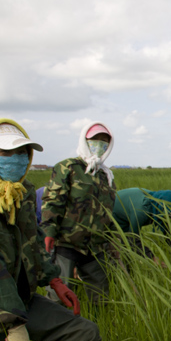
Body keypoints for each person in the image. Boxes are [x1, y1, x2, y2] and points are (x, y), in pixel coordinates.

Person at [0, 119, 111, 341]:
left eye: (22, 151)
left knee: (86, 333)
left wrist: (54, 280)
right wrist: (12, 324)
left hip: (22, 297)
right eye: (6, 153)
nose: (17, 159)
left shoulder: (19, 195)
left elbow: (30, 243)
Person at [41, 122, 117, 303]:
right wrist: (48, 232)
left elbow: (108, 213)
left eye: (104, 141)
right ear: (85, 140)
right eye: (94, 140)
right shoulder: (68, 168)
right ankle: (58, 328)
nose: (99, 144)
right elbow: (53, 202)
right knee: (60, 294)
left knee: (100, 295)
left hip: (95, 246)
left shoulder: (106, 176)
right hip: (67, 241)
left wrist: (112, 243)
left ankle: (97, 327)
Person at [113, 188, 171, 262]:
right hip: (114, 212)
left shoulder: (156, 204)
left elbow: (167, 231)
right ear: (163, 209)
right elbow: (133, 239)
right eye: (170, 215)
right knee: (125, 248)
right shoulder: (141, 212)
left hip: (128, 205)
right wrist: (153, 258)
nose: (170, 218)